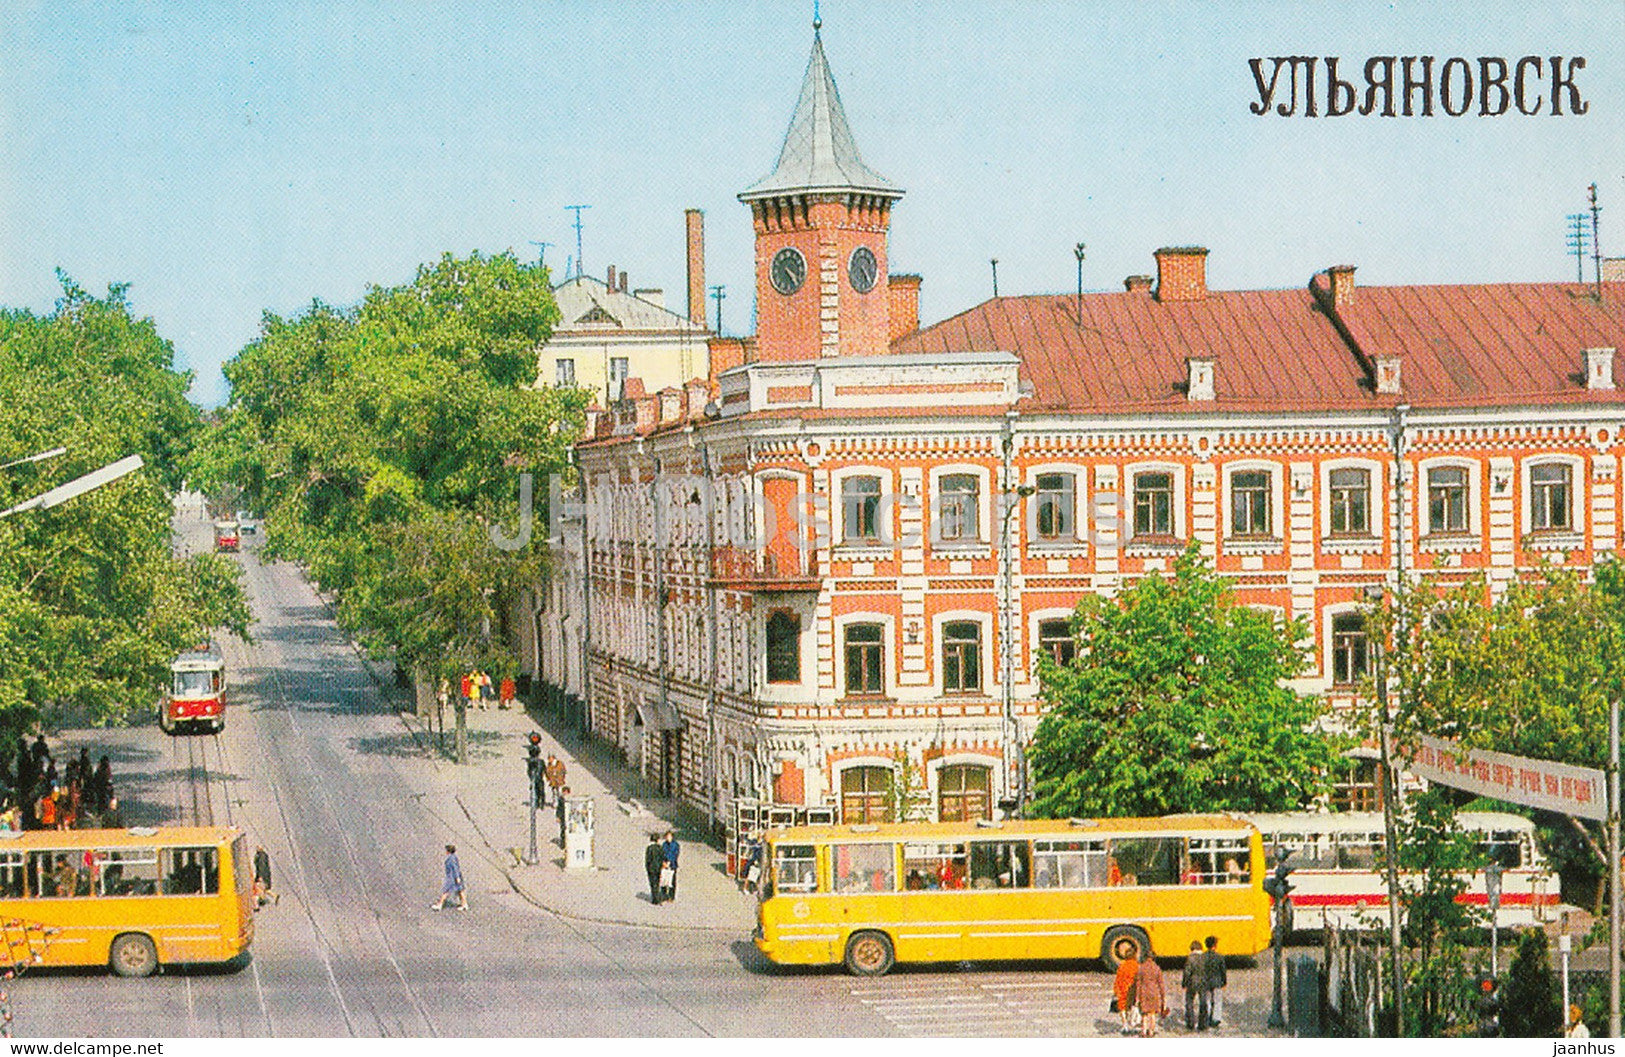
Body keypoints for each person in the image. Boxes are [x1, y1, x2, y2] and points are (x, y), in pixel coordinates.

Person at [1135, 952, 1167, 1037]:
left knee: (1144, 1013)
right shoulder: (1157, 968)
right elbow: (1161, 983)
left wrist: (1137, 997)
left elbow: (1138, 983)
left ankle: (1144, 1031)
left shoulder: (1141, 967)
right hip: (1154, 992)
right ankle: (1151, 1031)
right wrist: (1163, 996)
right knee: (1152, 1013)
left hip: (1144, 991)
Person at [1181, 941, 1211, 1031]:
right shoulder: (1205, 957)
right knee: (1203, 1002)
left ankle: (1190, 1023)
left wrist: (1184, 983)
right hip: (1203, 982)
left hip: (1192, 982)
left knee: (1189, 1002)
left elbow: (1187, 972)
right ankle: (1203, 1024)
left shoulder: (1190, 958)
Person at [1112, 942, 1140, 1035]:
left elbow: (1118, 979)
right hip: (1133, 989)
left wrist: (1116, 990)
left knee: (1122, 1008)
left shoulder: (1122, 965)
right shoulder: (1136, 965)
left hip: (1123, 989)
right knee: (1132, 1006)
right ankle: (1132, 1023)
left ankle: (1125, 1025)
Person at [432, 844, 467, 911]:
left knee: (446, 890)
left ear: (448, 851)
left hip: (452, 877)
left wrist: (457, 877)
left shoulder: (451, 858)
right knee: (460, 890)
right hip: (455, 876)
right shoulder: (454, 857)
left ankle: (440, 905)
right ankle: (464, 904)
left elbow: (455, 868)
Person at [1203, 935, 1228, 1027]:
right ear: (1215, 945)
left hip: (1206, 982)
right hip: (1217, 982)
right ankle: (1216, 1019)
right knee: (1217, 1001)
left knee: (1208, 1000)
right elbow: (1223, 971)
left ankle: (1208, 1017)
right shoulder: (1219, 957)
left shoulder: (1203, 957)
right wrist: (1224, 982)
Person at [659, 829, 680, 902]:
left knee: (672, 881)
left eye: (669, 836)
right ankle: (664, 895)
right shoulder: (664, 844)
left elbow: (675, 854)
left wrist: (669, 861)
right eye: (667, 836)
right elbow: (662, 853)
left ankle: (671, 896)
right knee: (664, 880)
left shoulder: (675, 845)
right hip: (664, 864)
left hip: (672, 865)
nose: (668, 838)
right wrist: (663, 862)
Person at [645, 833, 665, 905]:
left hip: (651, 868)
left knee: (652, 883)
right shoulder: (660, 847)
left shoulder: (649, 848)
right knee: (657, 882)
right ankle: (658, 897)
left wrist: (647, 867)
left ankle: (655, 898)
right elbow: (662, 857)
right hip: (658, 867)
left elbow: (648, 859)